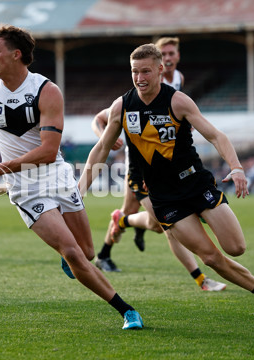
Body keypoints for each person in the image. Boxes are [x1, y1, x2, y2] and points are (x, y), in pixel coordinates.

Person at [79, 43, 254, 316]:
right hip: (164, 198)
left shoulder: (178, 101)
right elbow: (101, 149)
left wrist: (237, 167)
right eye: (134, 72)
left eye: (146, 72)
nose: (140, 78)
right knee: (210, 258)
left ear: (160, 70)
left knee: (236, 248)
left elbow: (216, 136)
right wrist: (79, 190)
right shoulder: (123, 106)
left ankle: (132, 220)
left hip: (195, 184)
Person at [0, 24, 142, 329]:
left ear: (16, 54)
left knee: (86, 252)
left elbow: (49, 151)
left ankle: (71, 258)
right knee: (74, 252)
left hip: (56, 176)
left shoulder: (46, 91)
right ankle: (126, 310)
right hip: (25, 188)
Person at [92, 38, 227, 291]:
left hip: (169, 170)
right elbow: (100, 119)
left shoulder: (177, 83)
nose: (168, 57)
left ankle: (121, 226)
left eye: (171, 53)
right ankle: (200, 278)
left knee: (156, 223)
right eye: (163, 52)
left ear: (176, 57)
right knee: (167, 226)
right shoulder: (141, 84)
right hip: (142, 169)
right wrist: (106, 139)